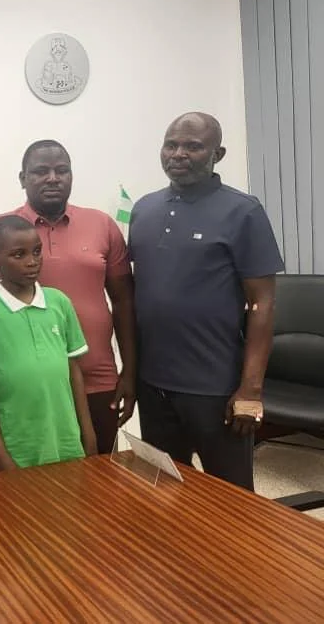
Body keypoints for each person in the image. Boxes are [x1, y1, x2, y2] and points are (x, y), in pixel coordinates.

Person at [129, 112, 283, 490]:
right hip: (154, 385)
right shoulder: (143, 210)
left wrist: (251, 390)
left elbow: (262, 304)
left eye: (193, 146)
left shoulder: (243, 211)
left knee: (230, 496)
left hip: (215, 387)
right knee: (164, 488)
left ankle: (239, 553)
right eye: (171, 144)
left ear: (219, 153)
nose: (178, 154)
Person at [0, 140, 136, 455]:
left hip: (99, 377)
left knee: (97, 472)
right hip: (29, 386)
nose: (53, 178)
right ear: (22, 178)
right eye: (41, 171)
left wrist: (130, 369)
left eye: (62, 170)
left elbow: (124, 302)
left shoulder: (102, 224)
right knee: (33, 475)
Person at [0, 215, 97, 470]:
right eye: (19, 255)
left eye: (37, 252)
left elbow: (74, 372)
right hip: (17, 445)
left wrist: (87, 433)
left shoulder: (58, 302)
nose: (32, 262)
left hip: (66, 440)